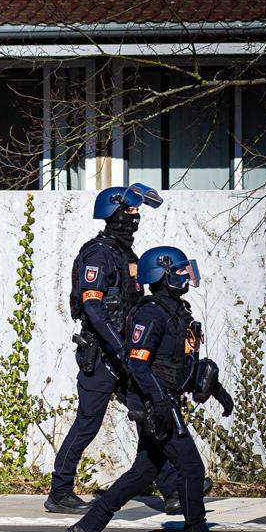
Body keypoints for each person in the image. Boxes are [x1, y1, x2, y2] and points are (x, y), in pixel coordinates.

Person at [67, 246, 235, 532]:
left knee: (143, 472)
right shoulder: (151, 313)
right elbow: (137, 364)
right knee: (192, 469)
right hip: (153, 404)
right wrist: (158, 402)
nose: (185, 276)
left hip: (162, 400)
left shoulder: (175, 312)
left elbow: (176, 366)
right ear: (161, 274)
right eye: (179, 271)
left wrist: (217, 390)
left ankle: (86, 528)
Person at [46, 184, 207, 514]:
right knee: (88, 422)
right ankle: (60, 491)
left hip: (127, 354)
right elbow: (93, 307)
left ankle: (173, 489)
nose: (135, 217)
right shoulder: (98, 254)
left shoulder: (126, 255)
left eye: (136, 211)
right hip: (102, 356)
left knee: (149, 415)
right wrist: (118, 348)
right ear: (113, 213)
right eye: (130, 211)